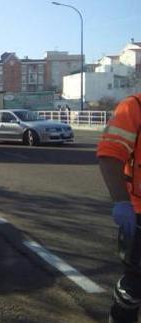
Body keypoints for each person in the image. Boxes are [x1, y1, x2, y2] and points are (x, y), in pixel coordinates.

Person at [98, 94, 141, 322]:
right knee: (135, 286)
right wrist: (121, 201)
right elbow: (110, 155)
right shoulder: (134, 107)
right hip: (138, 212)